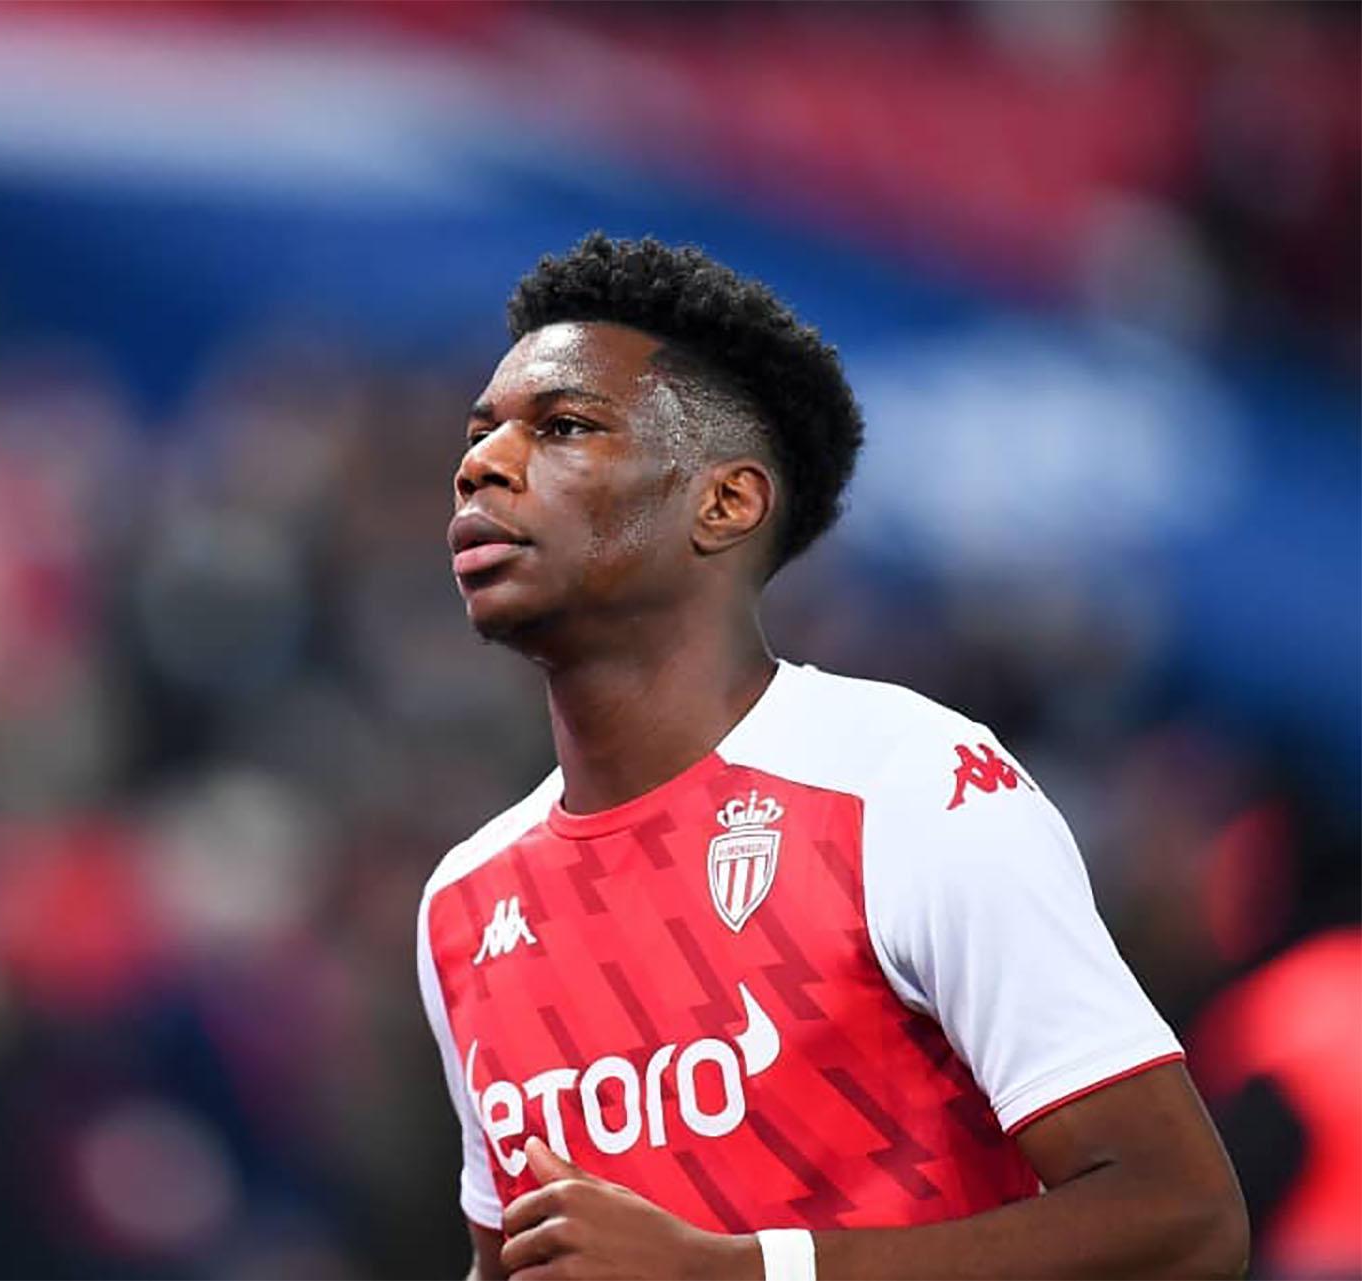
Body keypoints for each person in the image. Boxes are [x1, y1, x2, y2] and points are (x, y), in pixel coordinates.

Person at [416, 234, 1247, 1280]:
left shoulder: (909, 784)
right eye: (481, 433)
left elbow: (1181, 1218)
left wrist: (742, 1273)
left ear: (725, 503)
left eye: (564, 426)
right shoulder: (465, 903)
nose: (481, 464)